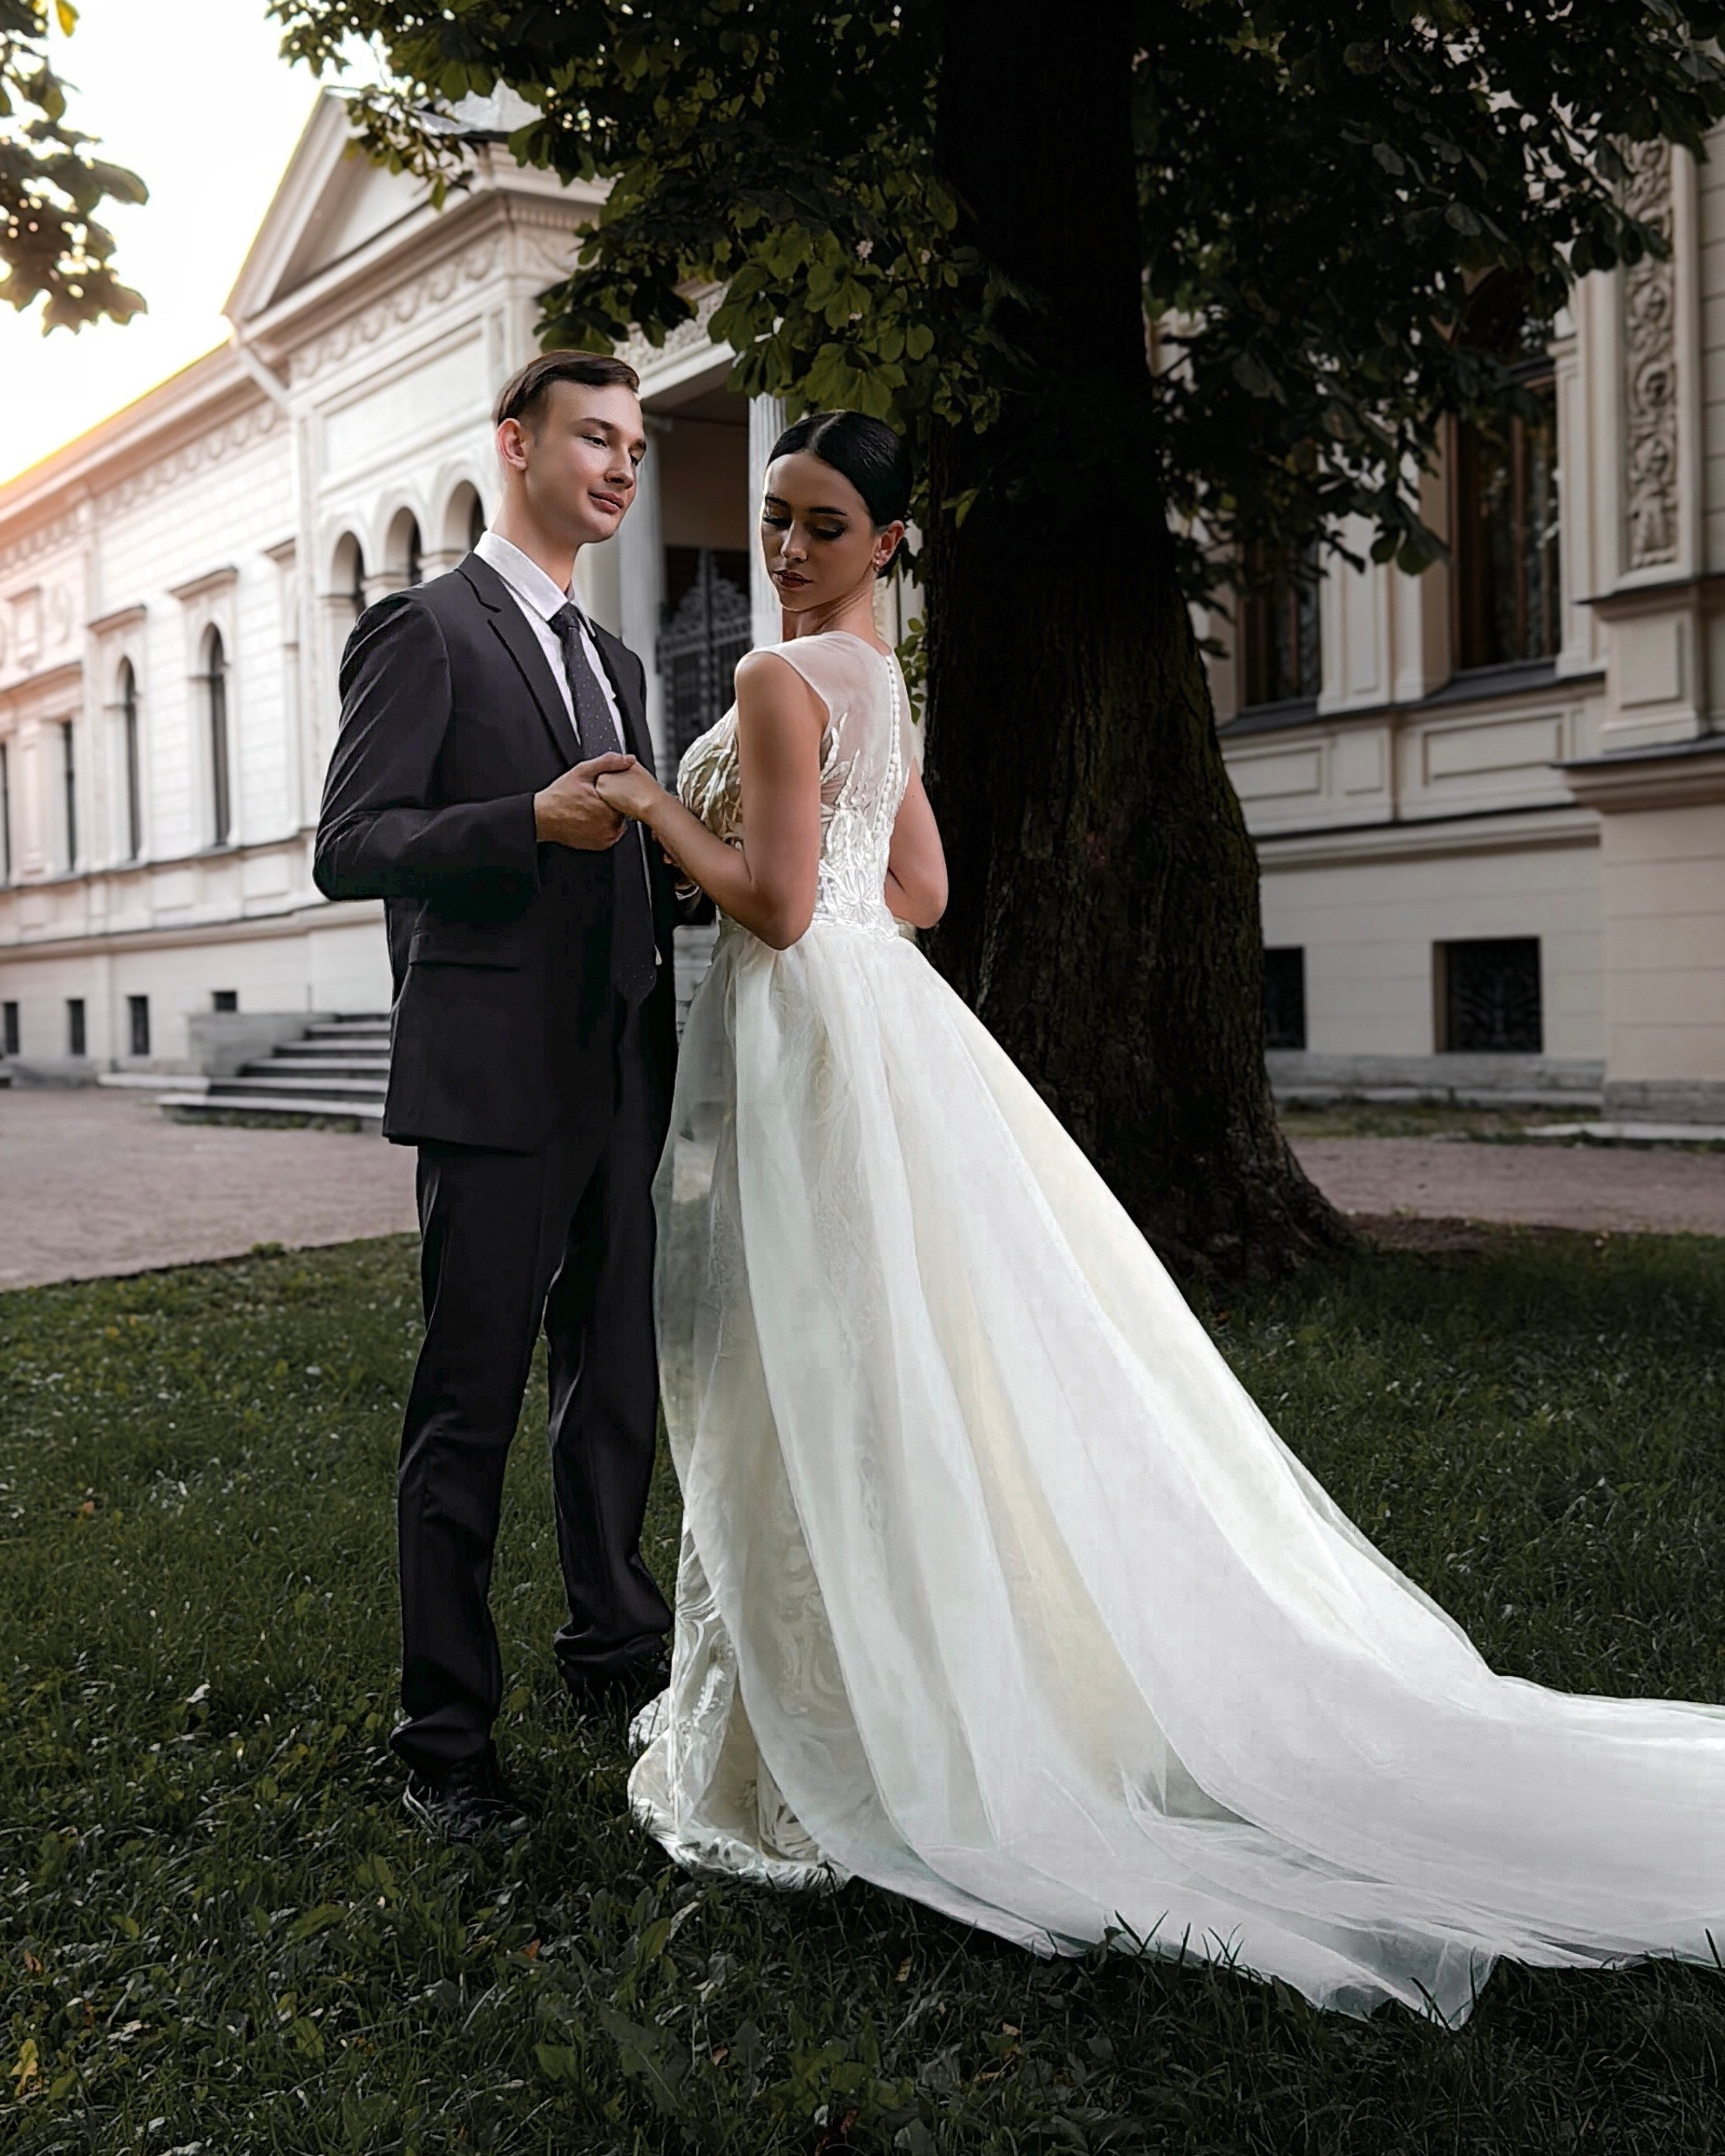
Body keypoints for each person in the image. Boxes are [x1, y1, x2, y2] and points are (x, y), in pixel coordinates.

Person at [589, 407, 1725, 2025]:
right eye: (776, 516)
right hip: (880, 1025)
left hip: (808, 1042)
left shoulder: (781, 677)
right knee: (890, 1361)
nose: (784, 549)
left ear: (889, 541)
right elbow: (917, 896)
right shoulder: (880, 676)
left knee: (816, 1362)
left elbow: (775, 905)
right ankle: (906, 1687)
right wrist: (815, 889)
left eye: (823, 525)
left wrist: (657, 808)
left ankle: (834, 1731)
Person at [314, 353, 680, 1842]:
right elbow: (351, 842)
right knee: (467, 1409)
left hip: (620, 1071)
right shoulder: (426, 629)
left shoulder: (620, 664)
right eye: (595, 437)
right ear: (515, 445)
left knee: (614, 1392)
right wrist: (524, 819)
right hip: (491, 1081)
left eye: (637, 445)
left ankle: (617, 1653)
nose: (622, 465)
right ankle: (444, 1742)